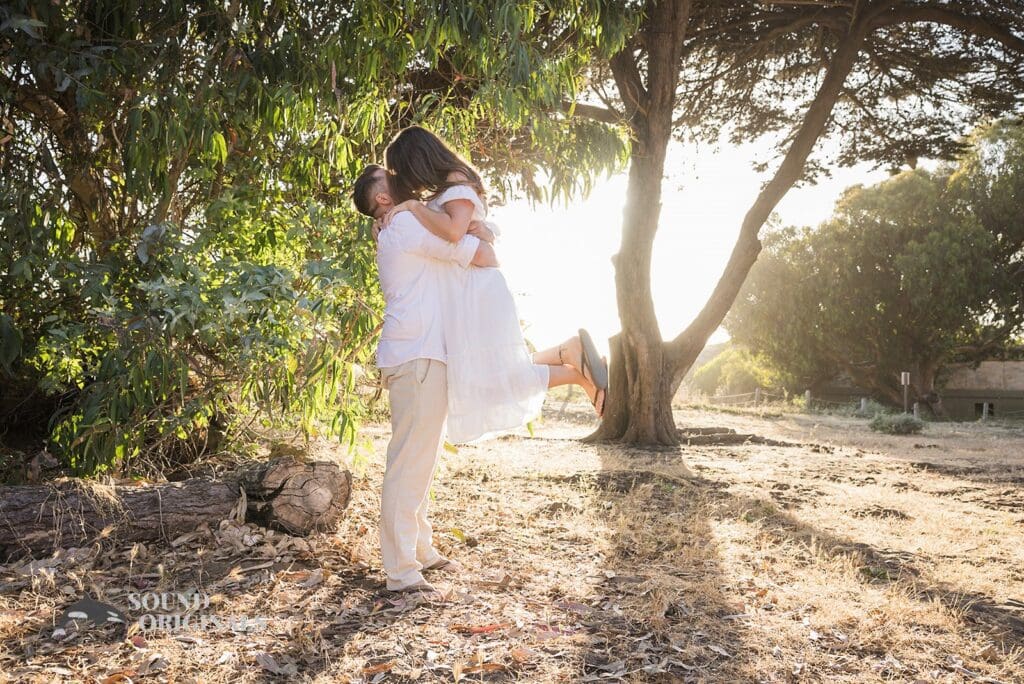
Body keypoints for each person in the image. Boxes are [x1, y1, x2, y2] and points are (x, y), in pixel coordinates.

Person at [380, 125, 607, 443]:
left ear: (418, 160)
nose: (407, 182)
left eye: (404, 171)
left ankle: (573, 363)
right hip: (467, 289)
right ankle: (571, 362)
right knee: (486, 374)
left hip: (478, 290)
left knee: (491, 375)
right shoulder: (447, 188)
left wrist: (415, 207)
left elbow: (454, 232)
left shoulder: (457, 181)